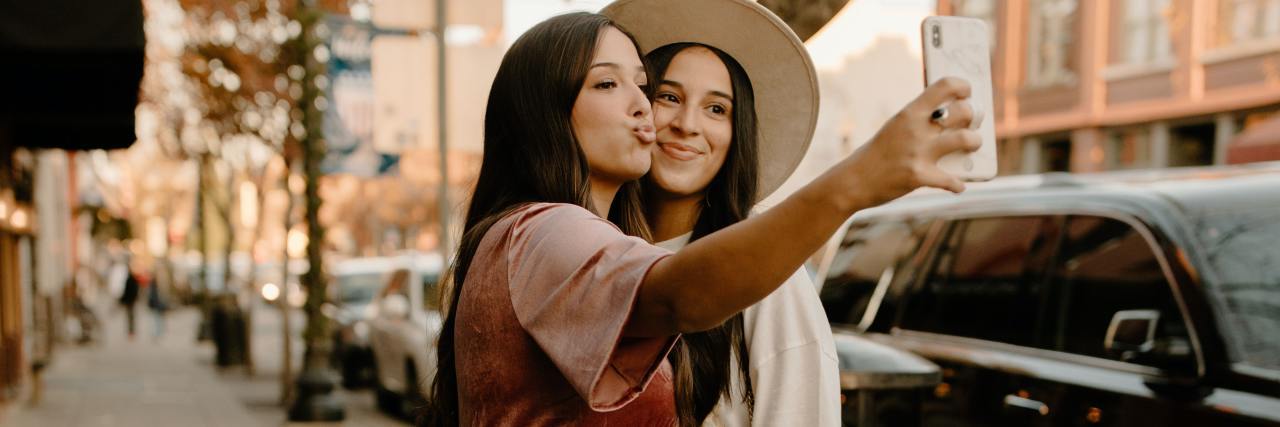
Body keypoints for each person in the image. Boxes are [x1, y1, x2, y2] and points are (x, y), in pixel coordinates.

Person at [428, 10, 980, 426]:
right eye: (612, 84)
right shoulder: (543, 233)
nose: (654, 111)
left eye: (642, 86)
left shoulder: (768, 275)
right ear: (545, 109)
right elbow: (677, 297)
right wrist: (856, 181)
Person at [603, 0, 838, 424]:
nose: (687, 124)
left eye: (716, 109)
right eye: (668, 96)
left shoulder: (768, 275)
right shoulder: (586, 248)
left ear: (737, 134)